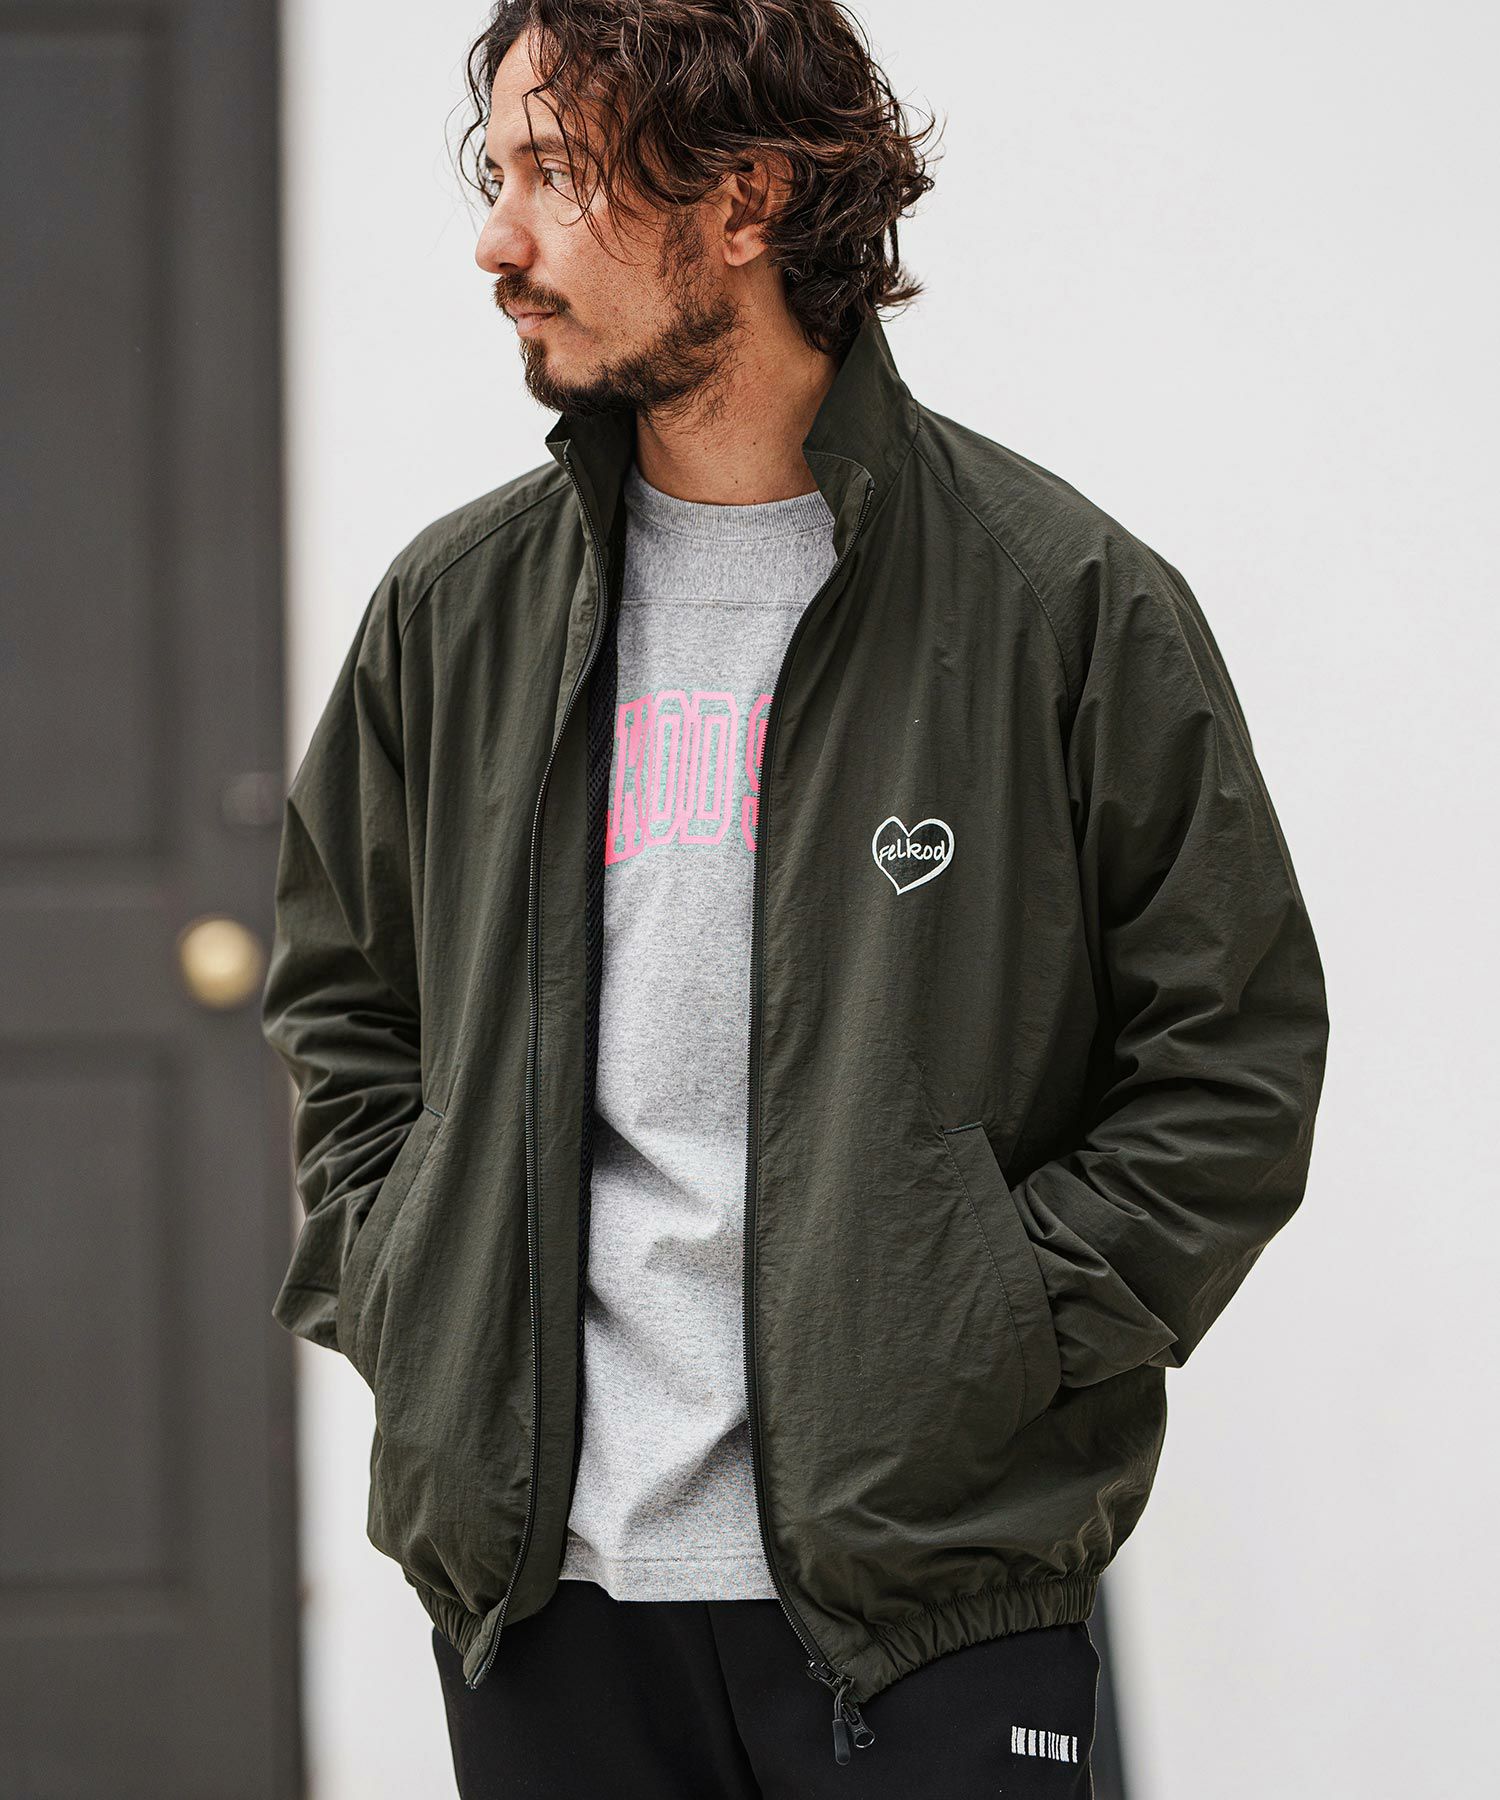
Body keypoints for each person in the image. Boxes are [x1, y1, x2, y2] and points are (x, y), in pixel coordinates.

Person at [260, 1, 1330, 1793]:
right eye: (494, 174)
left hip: (932, 1608)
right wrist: (411, 1291)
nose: (497, 239)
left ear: (746, 198)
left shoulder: (1058, 604)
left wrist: (989, 1335)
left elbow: (1233, 1063)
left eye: (557, 174)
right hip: (546, 1601)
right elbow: (342, 1012)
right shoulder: (454, 619)